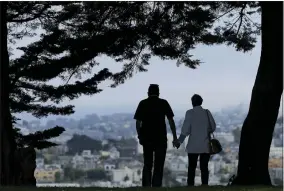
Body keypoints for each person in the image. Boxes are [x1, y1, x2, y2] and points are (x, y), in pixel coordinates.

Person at [134, 84, 178, 187]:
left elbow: (137, 123)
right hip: (160, 138)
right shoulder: (163, 103)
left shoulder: (143, 103)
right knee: (159, 165)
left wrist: (140, 136)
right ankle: (156, 186)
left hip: (147, 138)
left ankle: (146, 186)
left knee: (147, 164)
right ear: (158, 93)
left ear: (148, 93)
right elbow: (171, 121)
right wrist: (175, 137)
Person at [173, 94, 216, 186]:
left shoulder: (189, 113)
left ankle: (190, 185)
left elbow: (185, 131)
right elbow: (213, 127)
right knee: (204, 167)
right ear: (201, 102)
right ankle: (205, 185)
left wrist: (179, 142)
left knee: (191, 167)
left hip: (193, 146)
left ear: (192, 102)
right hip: (205, 145)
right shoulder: (207, 112)